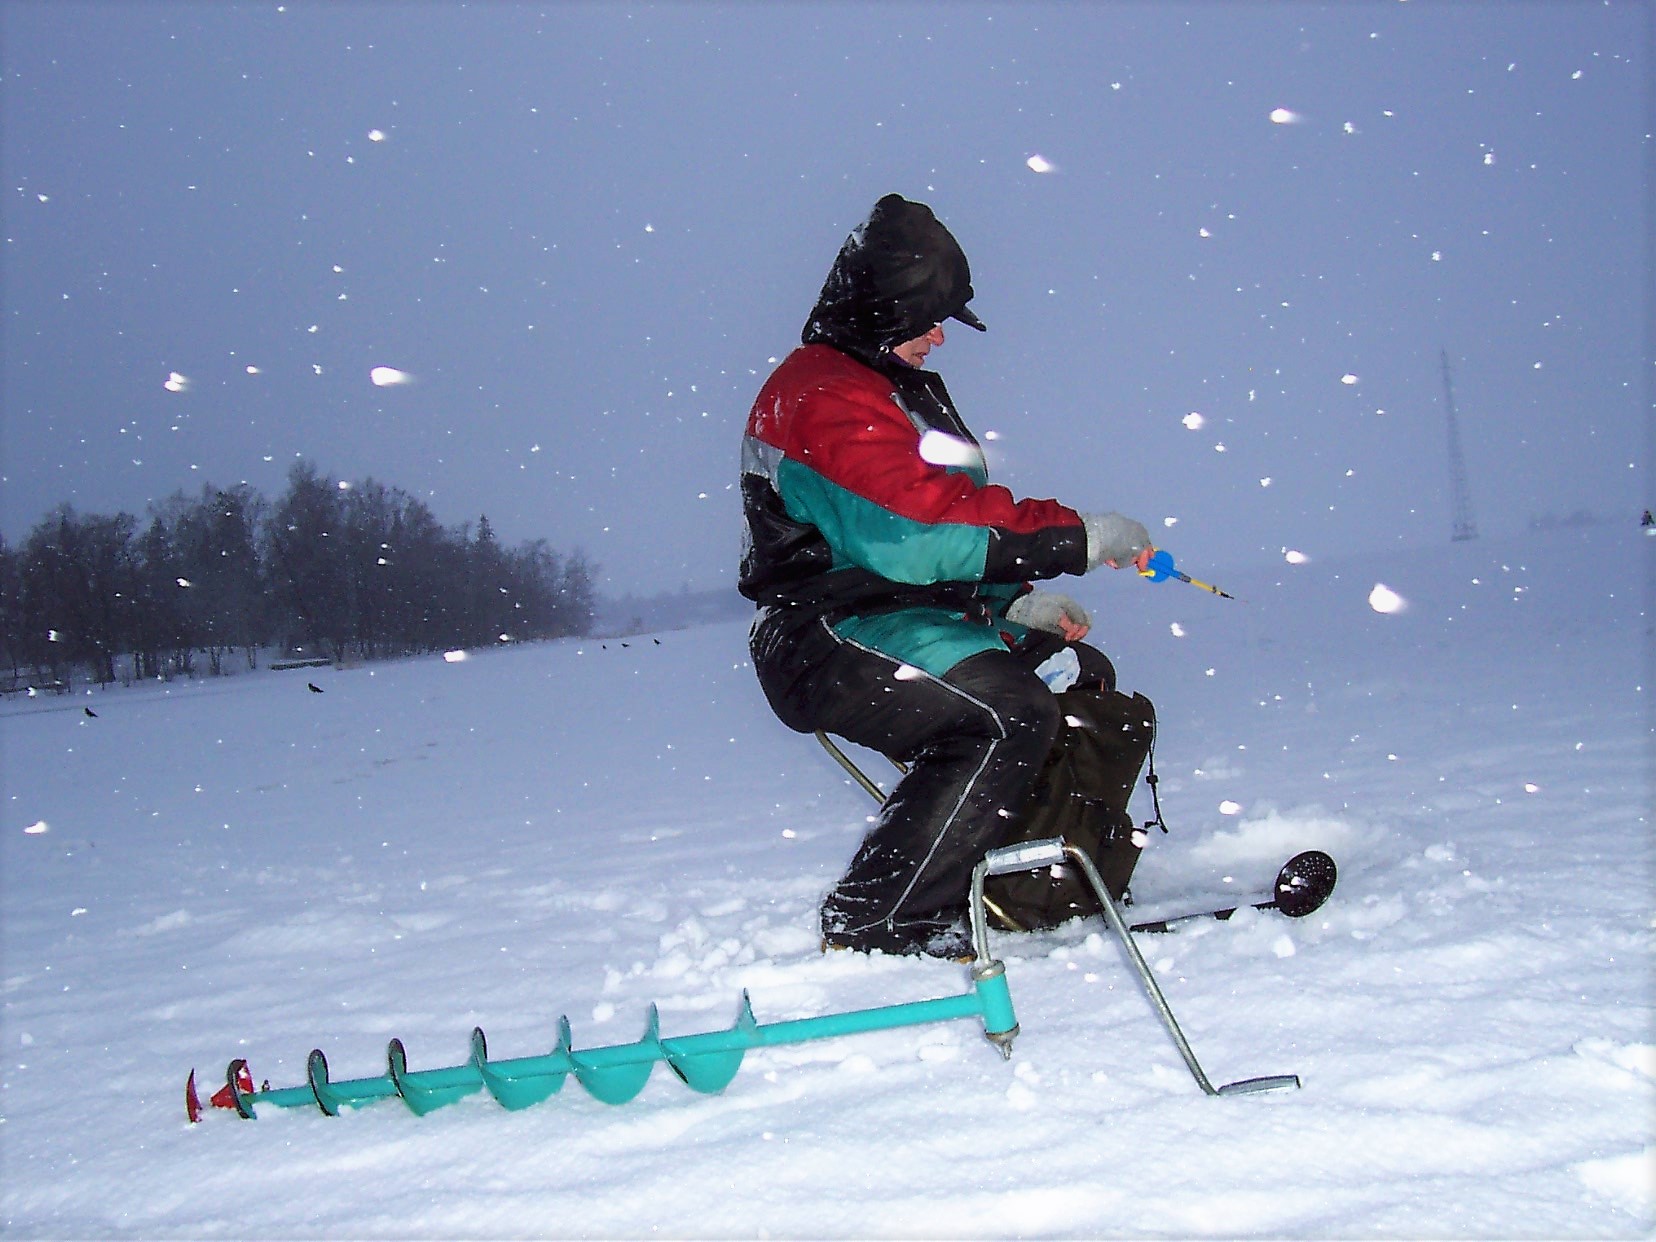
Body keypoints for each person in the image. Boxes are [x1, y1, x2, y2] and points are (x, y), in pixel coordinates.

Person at [738, 193, 1153, 960]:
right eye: (927, 318)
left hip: (902, 614)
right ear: (883, 308)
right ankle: (874, 921)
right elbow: (914, 536)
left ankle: (1022, 886)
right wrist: (1077, 538)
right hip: (826, 632)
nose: (938, 337)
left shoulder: (892, 386)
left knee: (1078, 677)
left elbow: (947, 518)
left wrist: (1012, 605)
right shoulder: (824, 395)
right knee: (1005, 712)